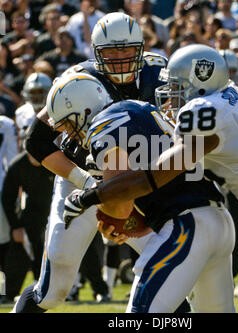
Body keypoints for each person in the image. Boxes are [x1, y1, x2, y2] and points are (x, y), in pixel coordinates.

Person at [64, 44, 238, 313]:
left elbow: (150, 179)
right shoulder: (228, 97)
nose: (169, 96)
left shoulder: (203, 110)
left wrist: (89, 196)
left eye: (176, 86)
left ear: (200, 82)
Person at [11, 12, 168, 313]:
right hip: (81, 179)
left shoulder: (158, 76)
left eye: (127, 50)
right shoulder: (78, 81)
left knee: (168, 265)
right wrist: (86, 183)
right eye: (111, 51)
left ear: (140, 47)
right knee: (54, 288)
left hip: (136, 184)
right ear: (96, 52)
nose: (120, 58)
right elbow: (36, 141)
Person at [48, 72, 235, 313]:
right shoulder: (140, 108)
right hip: (218, 219)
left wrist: (108, 216)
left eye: (69, 124)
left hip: (186, 226)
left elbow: (121, 202)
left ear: (84, 111)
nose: (70, 135)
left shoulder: (103, 125)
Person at [1, 150, 55, 303]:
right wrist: (15, 226)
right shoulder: (18, 166)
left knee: (53, 254)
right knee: (18, 252)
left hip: (56, 212)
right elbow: (7, 198)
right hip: (31, 214)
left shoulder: (54, 159)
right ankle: (8, 294)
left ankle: (99, 291)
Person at [0, 114, 18, 303]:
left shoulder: (5, 124)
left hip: (0, 187)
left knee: (2, 245)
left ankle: (2, 290)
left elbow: (12, 157)